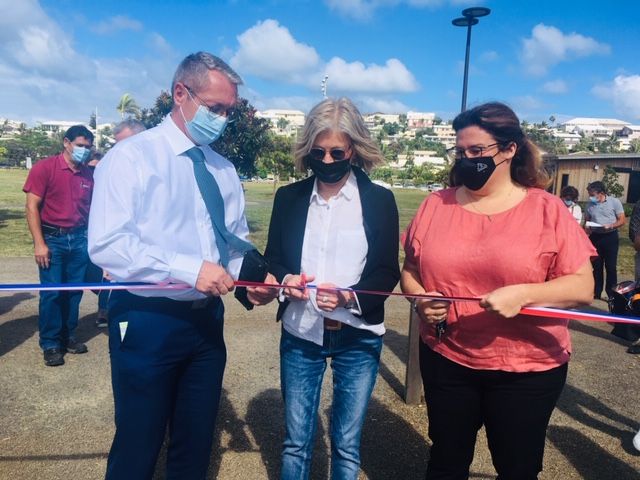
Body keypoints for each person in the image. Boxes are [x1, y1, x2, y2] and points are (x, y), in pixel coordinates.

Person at [89, 51, 274, 479]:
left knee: (195, 445)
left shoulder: (224, 170)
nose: (223, 119)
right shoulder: (132, 158)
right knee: (138, 442)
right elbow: (108, 246)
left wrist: (253, 284)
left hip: (206, 324)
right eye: (215, 108)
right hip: (145, 319)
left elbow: (230, 246)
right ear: (180, 93)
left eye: (229, 111)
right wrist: (188, 268)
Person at [401, 102, 595, 480]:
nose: (468, 159)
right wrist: (420, 300)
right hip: (447, 359)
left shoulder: (547, 209)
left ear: (510, 149)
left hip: (526, 370)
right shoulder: (434, 205)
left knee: (517, 468)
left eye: (478, 151)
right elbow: (409, 272)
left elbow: (583, 286)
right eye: (461, 152)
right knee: (445, 462)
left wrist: (523, 294)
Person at [262, 97, 400, 480]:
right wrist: (287, 280)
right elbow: (274, 258)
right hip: (300, 332)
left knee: (346, 445)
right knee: (295, 442)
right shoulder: (288, 198)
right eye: (317, 152)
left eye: (336, 152)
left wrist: (348, 296)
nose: (326, 161)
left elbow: (387, 270)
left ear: (353, 149)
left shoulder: (379, 200)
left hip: (357, 336)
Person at [23, 125, 95, 367]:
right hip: (52, 239)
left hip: (79, 240)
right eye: (80, 145)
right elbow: (32, 207)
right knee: (52, 293)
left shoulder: (88, 175)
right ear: (66, 142)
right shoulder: (44, 168)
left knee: (74, 292)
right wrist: (39, 243)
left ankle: (68, 337)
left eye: (88, 146)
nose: (84, 150)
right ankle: (51, 342)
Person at [584, 180, 626, 300]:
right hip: (595, 237)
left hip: (610, 237)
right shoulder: (589, 205)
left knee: (610, 267)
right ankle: (596, 292)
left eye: (592, 194)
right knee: (596, 266)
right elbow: (587, 220)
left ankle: (612, 293)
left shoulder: (614, 202)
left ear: (601, 193)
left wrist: (611, 225)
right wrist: (587, 227)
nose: (590, 197)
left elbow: (622, 220)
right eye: (589, 194)